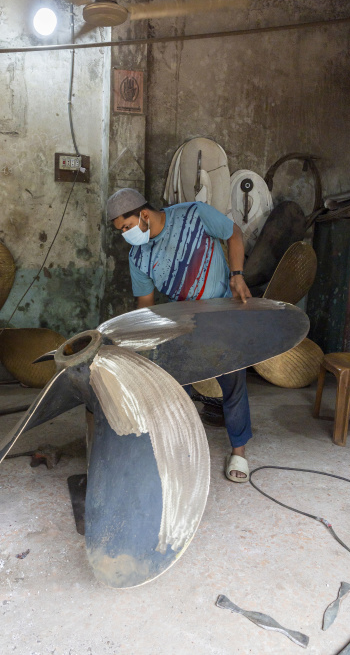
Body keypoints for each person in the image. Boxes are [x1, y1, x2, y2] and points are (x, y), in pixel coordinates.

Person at [107, 187, 253, 482]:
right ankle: (181, 453)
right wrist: (144, 345)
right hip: (185, 322)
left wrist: (237, 275)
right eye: (121, 231)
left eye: (126, 227)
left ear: (144, 215)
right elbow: (146, 305)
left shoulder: (194, 214)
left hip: (223, 312)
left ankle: (239, 453)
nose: (126, 235)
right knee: (175, 386)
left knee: (233, 381)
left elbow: (234, 233)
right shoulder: (139, 258)